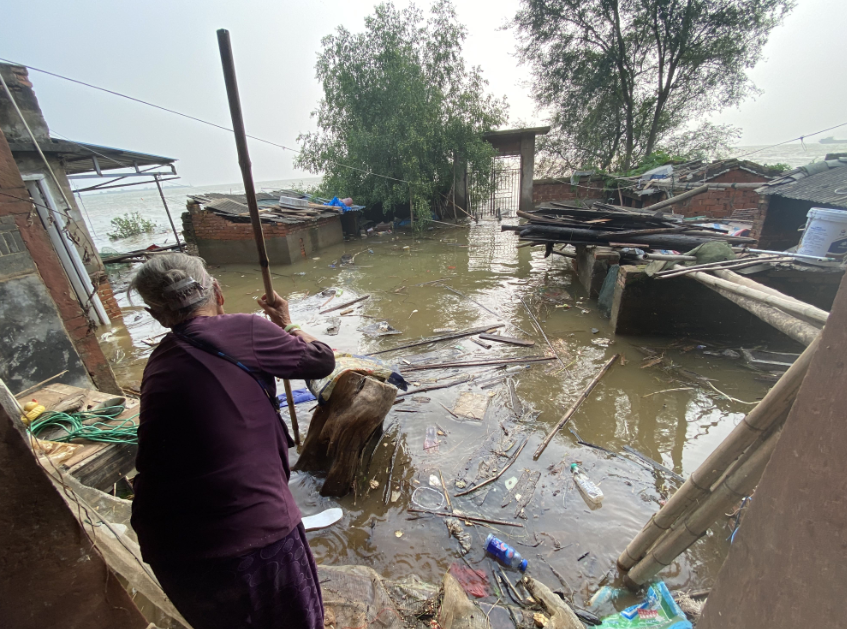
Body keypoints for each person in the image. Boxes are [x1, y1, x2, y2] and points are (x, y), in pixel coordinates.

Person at [128, 253, 335, 629]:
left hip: (168, 545)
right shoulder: (245, 329)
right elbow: (320, 359)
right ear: (218, 291)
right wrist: (288, 323)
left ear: (157, 315)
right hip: (249, 536)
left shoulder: (158, 361)